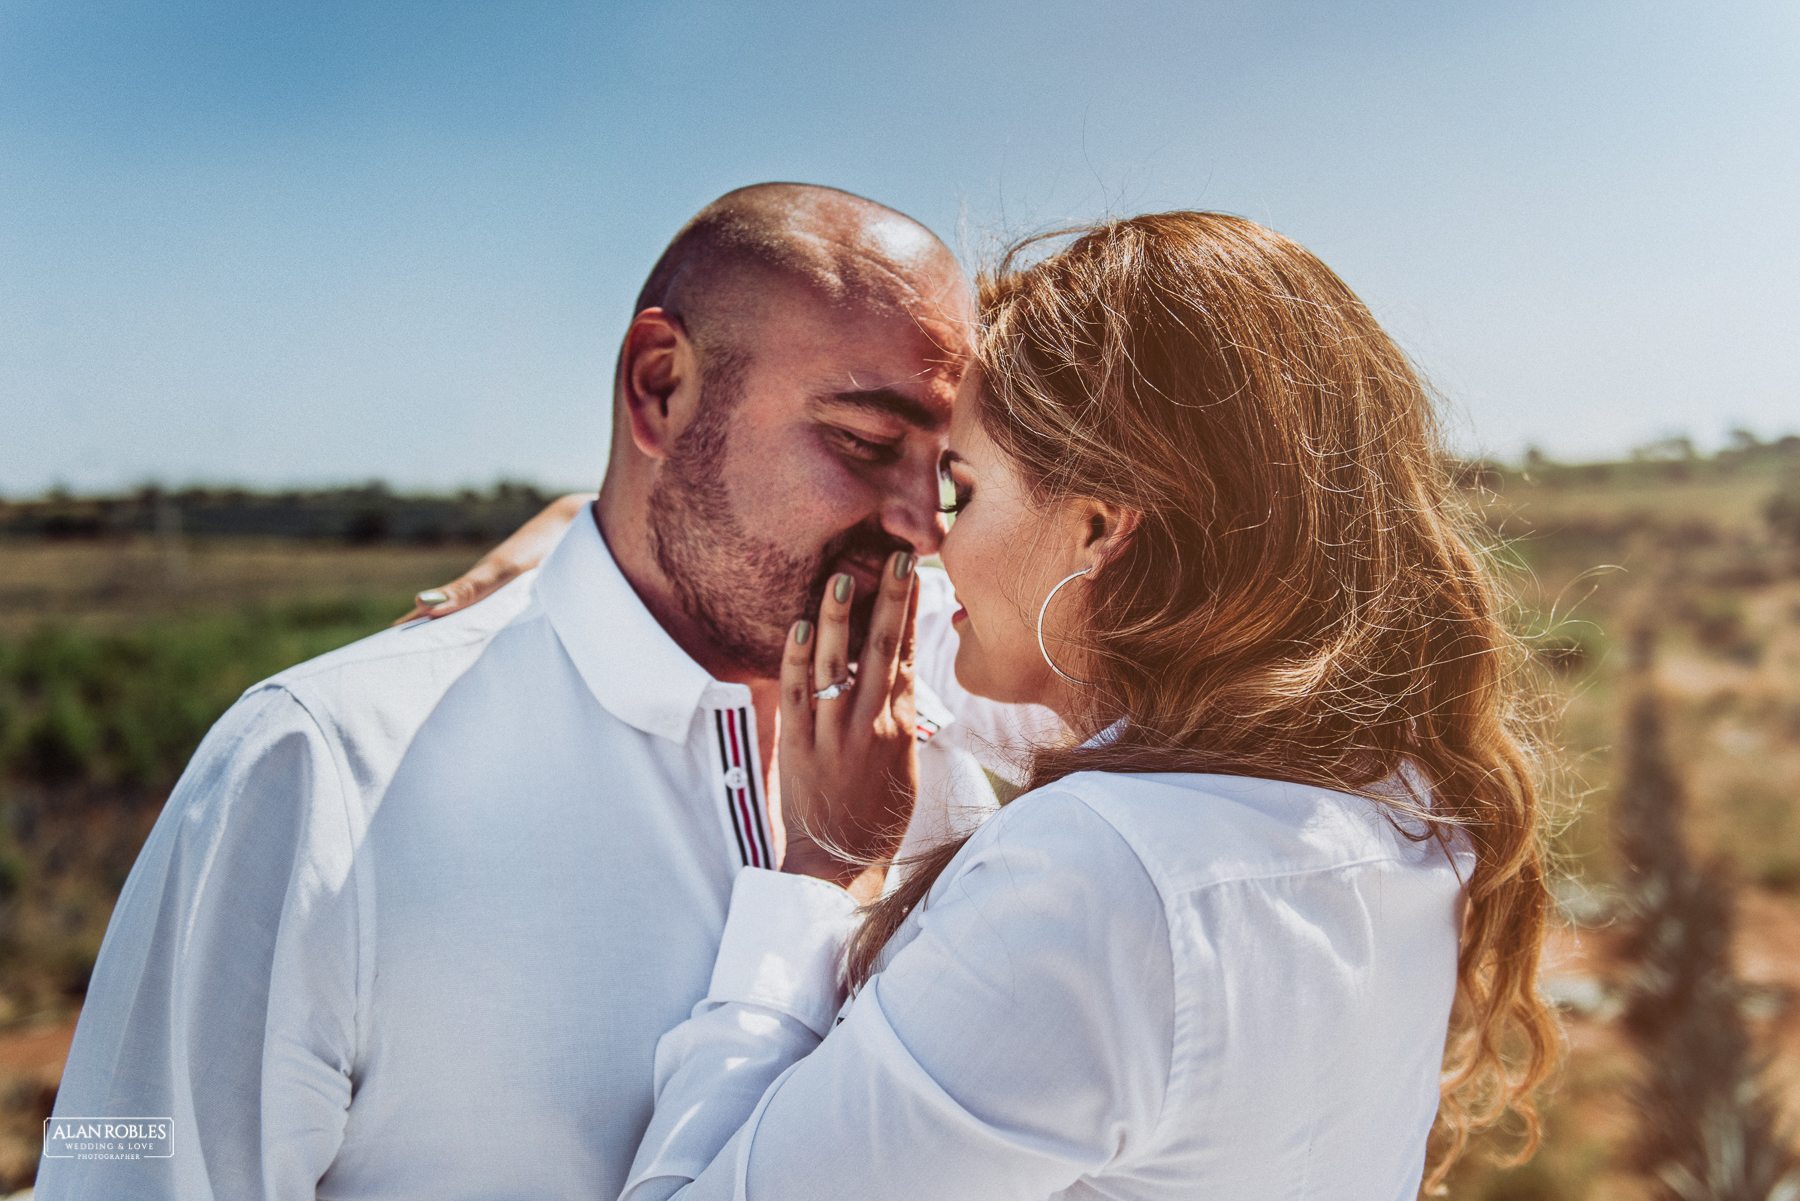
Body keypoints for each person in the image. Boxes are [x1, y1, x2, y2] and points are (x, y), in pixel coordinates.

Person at [40, 183, 1054, 1200]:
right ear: (659, 388)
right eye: (868, 444)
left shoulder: (949, 698)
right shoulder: (322, 770)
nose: (927, 525)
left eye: (951, 474)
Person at [605, 212, 1561, 1199]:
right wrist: (619, 520)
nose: (931, 541)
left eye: (962, 493)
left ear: (1099, 527)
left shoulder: (1099, 879)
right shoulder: (1386, 790)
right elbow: (959, 650)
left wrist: (821, 874)